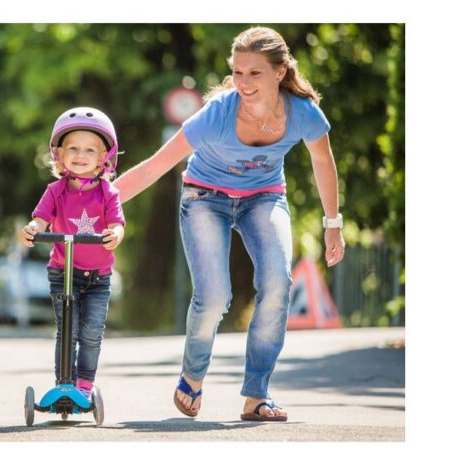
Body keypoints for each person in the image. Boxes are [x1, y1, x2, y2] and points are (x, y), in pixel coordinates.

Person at [113, 26, 345, 421]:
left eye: (254, 73)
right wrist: (97, 205)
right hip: (205, 197)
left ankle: (257, 395)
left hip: (263, 198)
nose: (244, 82)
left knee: (277, 283)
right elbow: (155, 166)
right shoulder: (218, 113)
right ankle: (192, 376)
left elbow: (323, 161)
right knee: (214, 297)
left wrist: (333, 223)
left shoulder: (302, 113)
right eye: (237, 72)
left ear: (280, 72)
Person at [18, 107, 126, 399]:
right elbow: (40, 219)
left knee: (91, 333)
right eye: (73, 148)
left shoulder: (108, 193)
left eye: (90, 149)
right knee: (67, 331)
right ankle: (64, 384)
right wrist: (32, 229)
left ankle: (84, 385)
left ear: (104, 157)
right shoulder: (55, 191)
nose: (81, 155)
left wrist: (114, 235)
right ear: (60, 155)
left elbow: (117, 224)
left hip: (98, 278)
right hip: (63, 272)